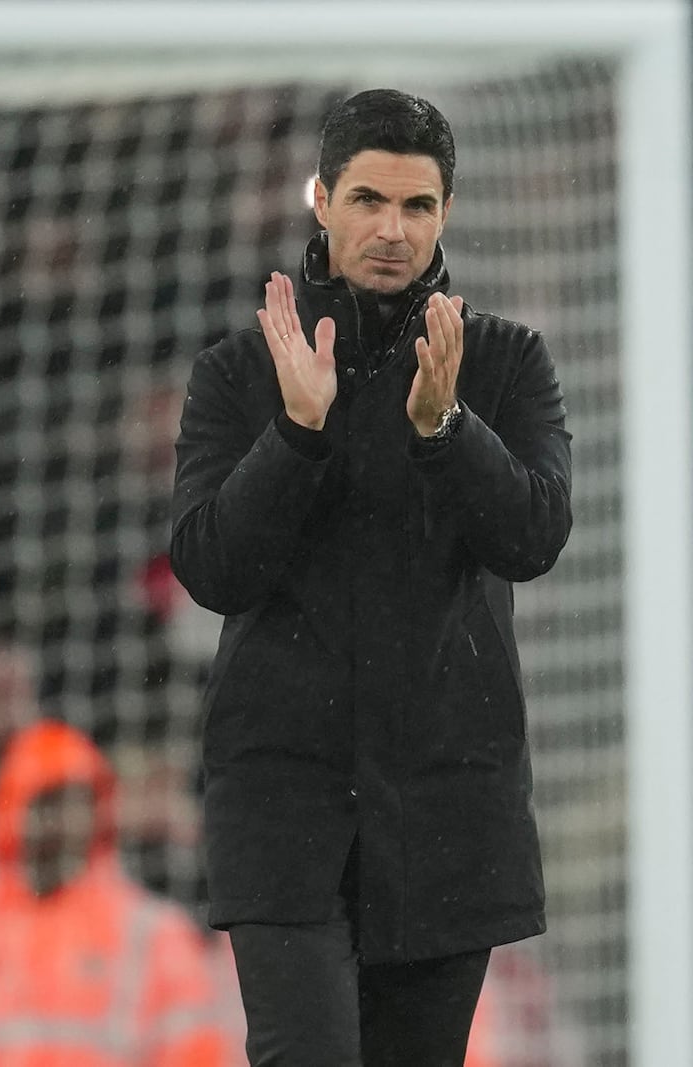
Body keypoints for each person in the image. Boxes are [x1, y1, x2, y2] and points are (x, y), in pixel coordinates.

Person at [169, 88, 572, 1066]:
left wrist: (445, 429)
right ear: (321, 200)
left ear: (445, 213)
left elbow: (532, 535)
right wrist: (296, 433)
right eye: (367, 200)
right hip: (283, 805)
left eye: (416, 206)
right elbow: (211, 565)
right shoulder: (241, 369)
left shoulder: (505, 365)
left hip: (446, 813)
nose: (391, 230)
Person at [0, 719, 237, 1067]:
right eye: (50, 802)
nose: (68, 822)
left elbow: (196, 1049)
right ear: (12, 806)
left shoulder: (154, 932)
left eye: (80, 803)